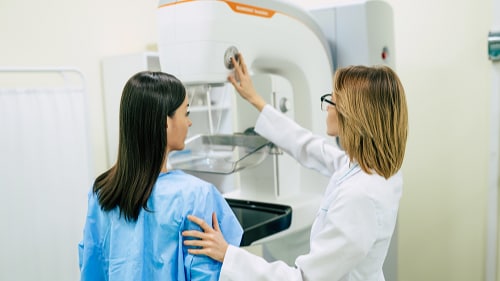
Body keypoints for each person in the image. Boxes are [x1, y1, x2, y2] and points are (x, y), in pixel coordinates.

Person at [182, 54, 408, 281]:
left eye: (333, 100)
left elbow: (303, 278)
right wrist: (255, 99)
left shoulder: (359, 196)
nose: (327, 107)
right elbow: (311, 148)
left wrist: (228, 254)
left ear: (353, 116)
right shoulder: (378, 168)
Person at [78, 71, 243, 280]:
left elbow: (90, 267)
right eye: (186, 113)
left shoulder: (102, 192)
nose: (189, 123)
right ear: (166, 122)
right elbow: (208, 273)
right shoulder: (197, 196)